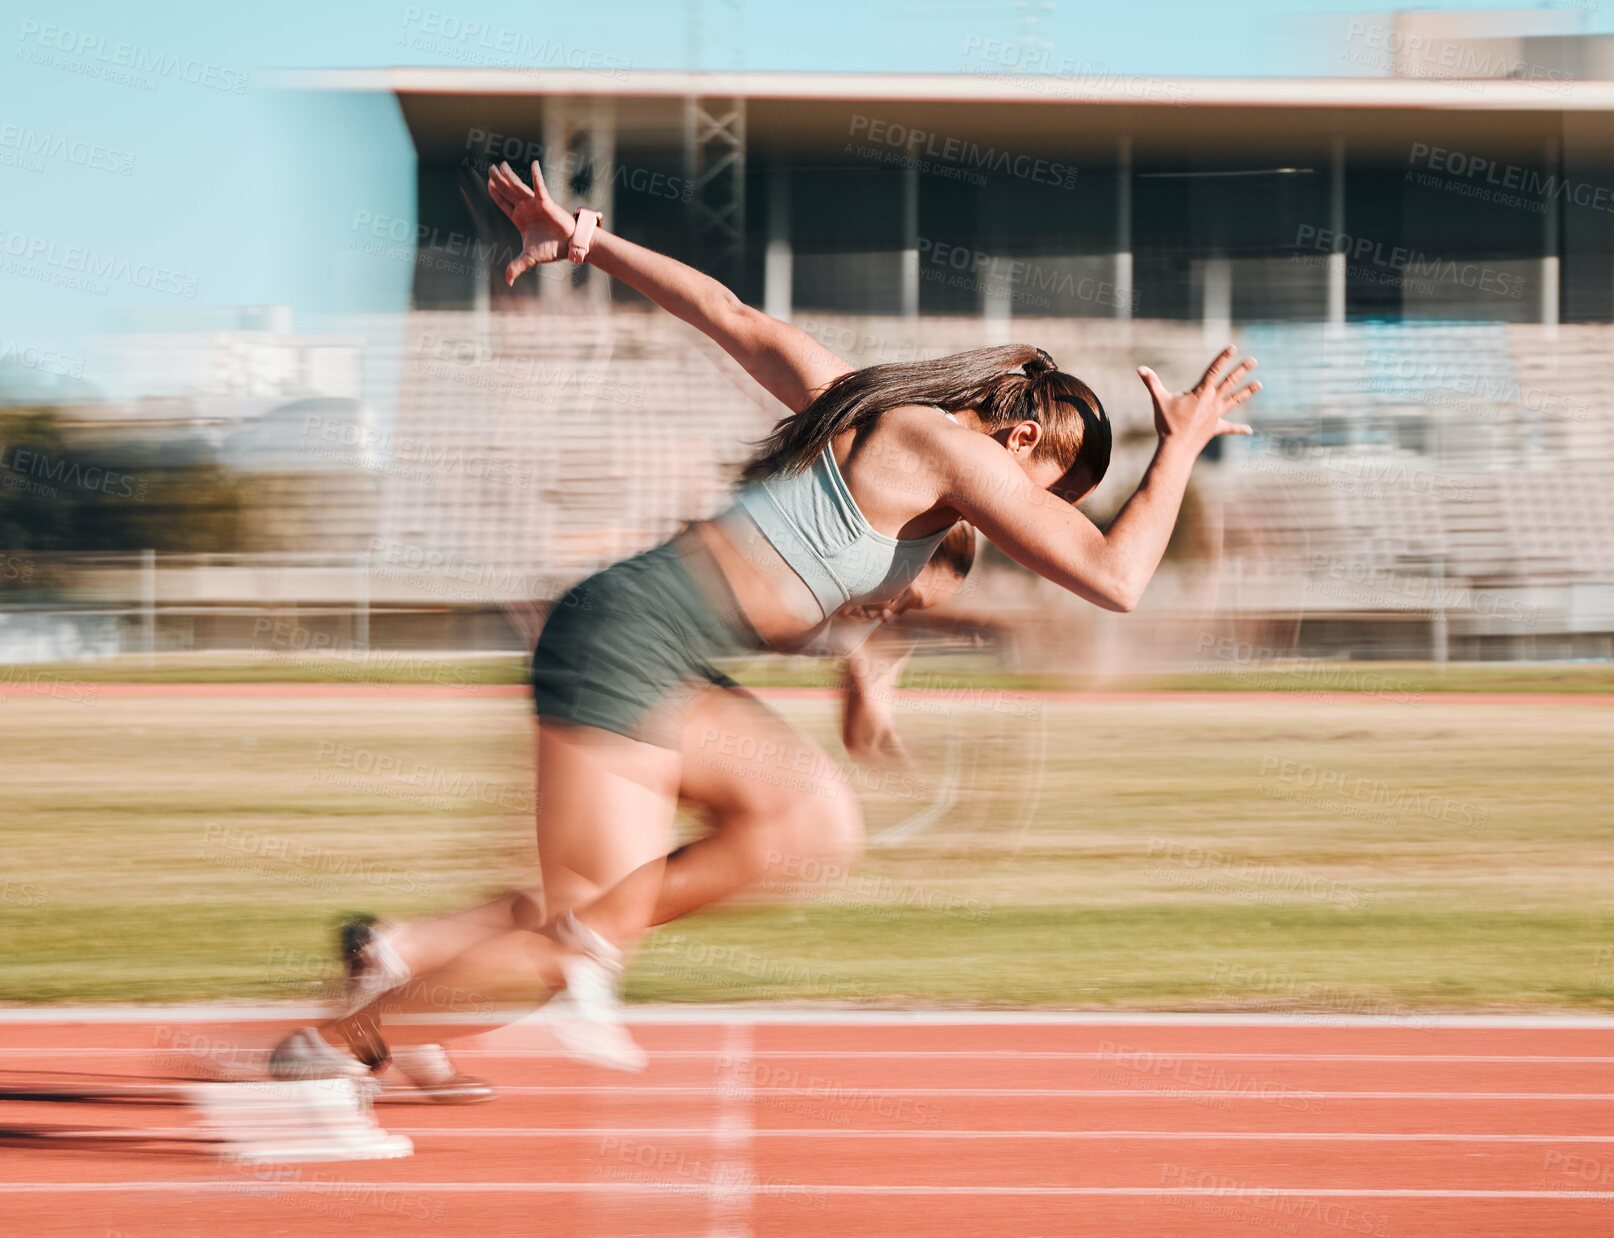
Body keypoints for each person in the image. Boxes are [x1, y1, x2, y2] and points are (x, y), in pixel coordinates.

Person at [269, 159, 1260, 1089]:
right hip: (629, 641)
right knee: (572, 930)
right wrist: (1180, 443)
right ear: (1024, 438)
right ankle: (337, 1043)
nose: (1043, 514)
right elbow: (1115, 575)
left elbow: (728, 316)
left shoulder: (875, 425)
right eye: (1054, 490)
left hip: (661, 648)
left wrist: (588, 242)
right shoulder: (946, 446)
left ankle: (436, 954)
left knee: (809, 824)